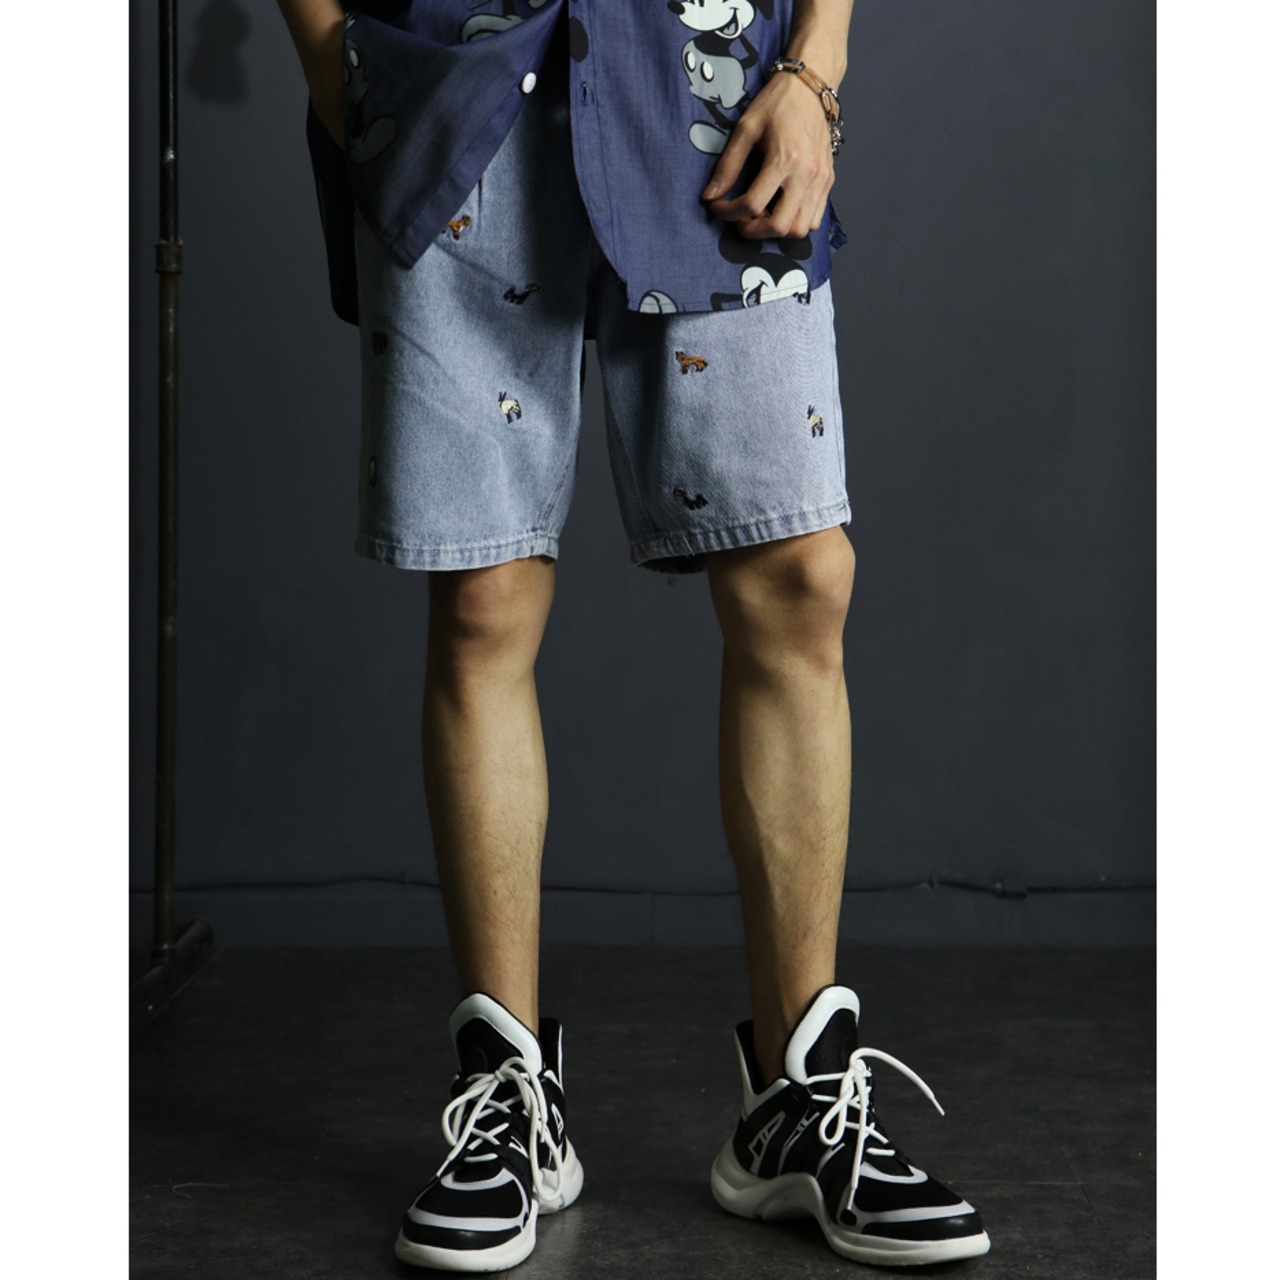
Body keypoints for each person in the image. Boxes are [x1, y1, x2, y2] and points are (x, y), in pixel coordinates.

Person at [274, 0, 990, 1271]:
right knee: (483, 595)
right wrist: (329, 50)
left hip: (714, 84)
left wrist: (815, 69)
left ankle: (796, 1102)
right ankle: (507, 1099)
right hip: (457, 75)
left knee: (797, 578)